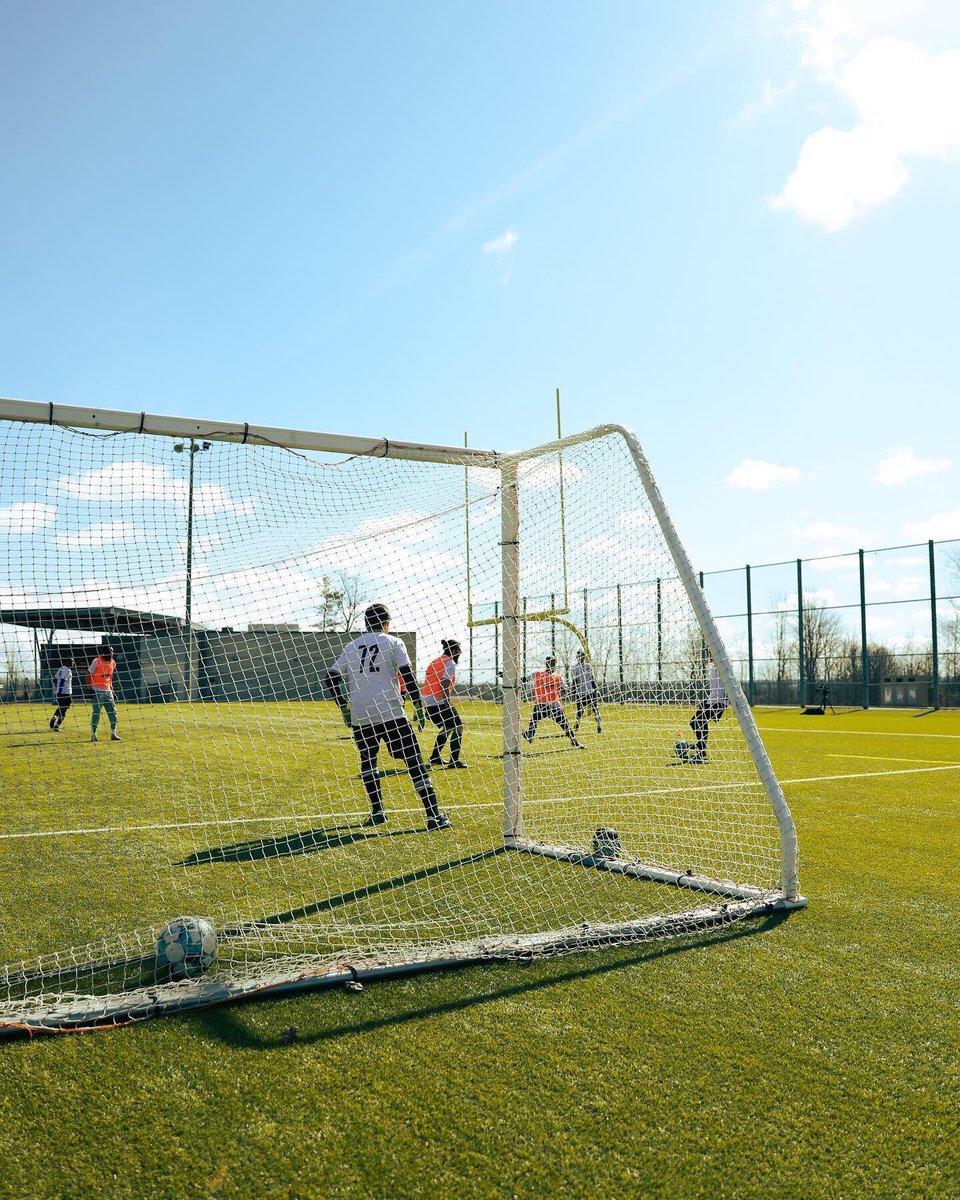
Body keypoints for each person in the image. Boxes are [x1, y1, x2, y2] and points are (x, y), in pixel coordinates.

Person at [327, 603, 450, 830]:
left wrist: (344, 707)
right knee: (414, 762)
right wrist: (418, 707)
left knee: (368, 762)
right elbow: (407, 675)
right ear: (387, 623)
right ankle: (434, 816)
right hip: (390, 712)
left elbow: (331, 676)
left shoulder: (352, 646)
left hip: (361, 715)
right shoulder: (394, 642)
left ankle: (377, 812)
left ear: (365, 623)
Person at [522, 656, 584, 749]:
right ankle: (530, 736)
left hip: (554, 705)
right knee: (534, 721)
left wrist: (564, 689)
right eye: (549, 662)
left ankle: (574, 742)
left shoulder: (559, 677)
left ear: (555, 663)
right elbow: (523, 679)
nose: (550, 664)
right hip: (541, 704)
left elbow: (565, 689)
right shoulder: (537, 673)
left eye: (552, 662)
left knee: (565, 724)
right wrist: (507, 677)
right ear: (546, 663)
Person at [423, 639, 466, 769]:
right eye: (458, 649)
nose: (460, 652)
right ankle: (454, 761)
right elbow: (444, 685)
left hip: (429, 701)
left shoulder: (435, 661)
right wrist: (447, 703)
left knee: (448, 727)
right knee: (458, 726)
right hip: (439, 701)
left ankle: (435, 757)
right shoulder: (449, 663)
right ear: (453, 650)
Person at [678, 660, 728, 763]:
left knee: (700, 721)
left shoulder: (722, 663)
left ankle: (701, 748)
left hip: (718, 702)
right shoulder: (714, 666)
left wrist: (727, 700)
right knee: (695, 722)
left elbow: (729, 681)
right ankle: (701, 748)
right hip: (711, 700)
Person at [87, 645, 122, 743]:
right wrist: (89, 688)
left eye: (111, 653)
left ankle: (113, 733)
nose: (110, 654)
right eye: (108, 653)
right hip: (97, 691)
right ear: (103, 653)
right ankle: (93, 735)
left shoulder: (113, 663)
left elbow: (110, 678)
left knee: (113, 713)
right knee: (96, 714)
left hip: (108, 691)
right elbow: (88, 674)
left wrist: (113, 692)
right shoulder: (96, 661)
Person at [569, 649, 602, 736]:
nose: (582, 657)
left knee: (595, 709)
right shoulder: (574, 668)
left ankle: (599, 726)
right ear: (577, 657)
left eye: (583, 655)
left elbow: (592, 679)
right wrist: (573, 692)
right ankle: (577, 723)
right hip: (581, 693)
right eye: (580, 655)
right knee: (580, 710)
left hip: (590, 691)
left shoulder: (589, 666)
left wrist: (596, 689)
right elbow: (574, 682)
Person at [49, 663, 73, 732]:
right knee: (64, 710)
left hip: (59, 693)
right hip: (66, 692)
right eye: (72, 662)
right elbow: (62, 680)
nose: (73, 663)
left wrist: (58, 690)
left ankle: (55, 716)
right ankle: (57, 726)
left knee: (61, 707)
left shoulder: (60, 669)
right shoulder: (68, 670)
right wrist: (60, 690)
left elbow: (55, 680)